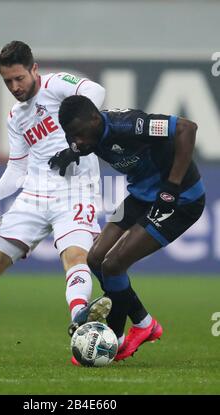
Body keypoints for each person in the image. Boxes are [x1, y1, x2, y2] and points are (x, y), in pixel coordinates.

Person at [0, 40, 112, 365]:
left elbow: (96, 92)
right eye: (8, 82)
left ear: (34, 69)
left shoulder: (57, 85)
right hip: (33, 195)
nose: (15, 87)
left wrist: (74, 148)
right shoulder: (16, 116)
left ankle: (79, 318)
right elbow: (17, 167)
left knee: (75, 257)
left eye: (19, 78)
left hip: (76, 191)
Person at [49, 95, 205, 363]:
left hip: (179, 200)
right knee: (95, 258)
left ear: (95, 120)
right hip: (140, 196)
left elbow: (186, 127)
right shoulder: (85, 135)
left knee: (113, 265)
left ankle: (113, 339)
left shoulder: (130, 125)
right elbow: (80, 142)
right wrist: (71, 152)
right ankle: (144, 324)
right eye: (71, 136)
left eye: (80, 135)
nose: (78, 141)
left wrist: (173, 186)